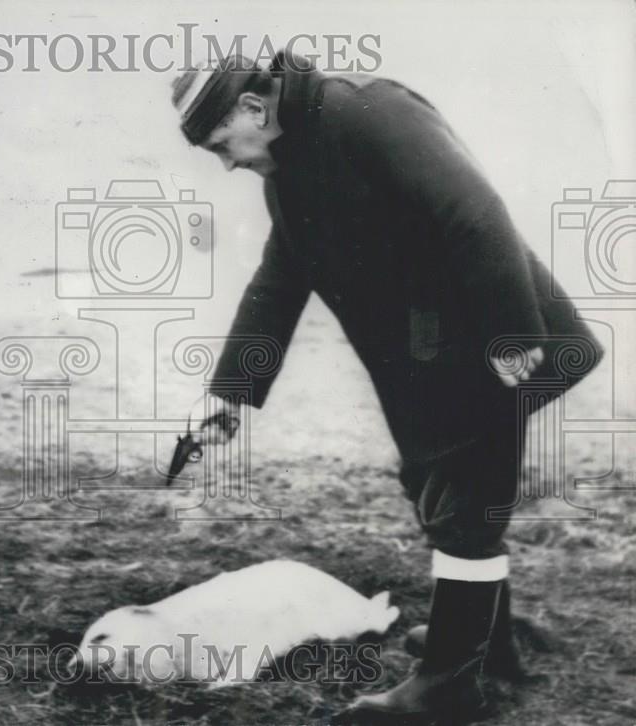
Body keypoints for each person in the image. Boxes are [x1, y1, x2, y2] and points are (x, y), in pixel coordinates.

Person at [170, 52, 602, 722]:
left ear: (254, 110)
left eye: (224, 147)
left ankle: (450, 686)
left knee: (463, 501)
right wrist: (231, 391)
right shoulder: (291, 163)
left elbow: (474, 210)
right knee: (445, 489)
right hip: (435, 352)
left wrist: (513, 333)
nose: (227, 164)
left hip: (488, 337)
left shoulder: (367, 109)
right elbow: (280, 279)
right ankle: (483, 644)